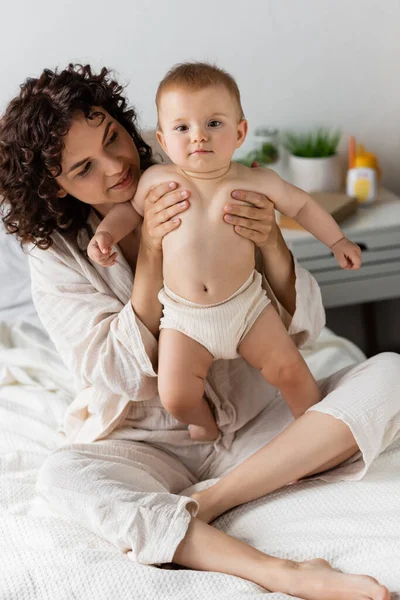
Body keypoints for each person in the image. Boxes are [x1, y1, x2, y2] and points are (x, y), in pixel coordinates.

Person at [0, 63, 398, 600]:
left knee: (391, 375)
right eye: (84, 168)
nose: (116, 165)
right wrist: (152, 259)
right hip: (157, 439)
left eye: (114, 136)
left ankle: (212, 500)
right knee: (63, 476)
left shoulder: (192, 159)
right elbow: (111, 372)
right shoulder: (57, 252)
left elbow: (304, 325)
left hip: (259, 418)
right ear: (57, 188)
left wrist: (274, 244)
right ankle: (280, 571)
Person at [87, 62, 361, 441]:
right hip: (184, 318)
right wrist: (104, 235)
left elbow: (302, 205)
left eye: (213, 123)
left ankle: (313, 427)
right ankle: (202, 422)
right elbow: (127, 213)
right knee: (176, 395)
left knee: (292, 371)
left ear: (240, 132)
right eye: (183, 127)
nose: (198, 136)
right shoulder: (157, 181)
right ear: (164, 141)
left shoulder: (256, 180)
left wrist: (338, 241)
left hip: (246, 307)